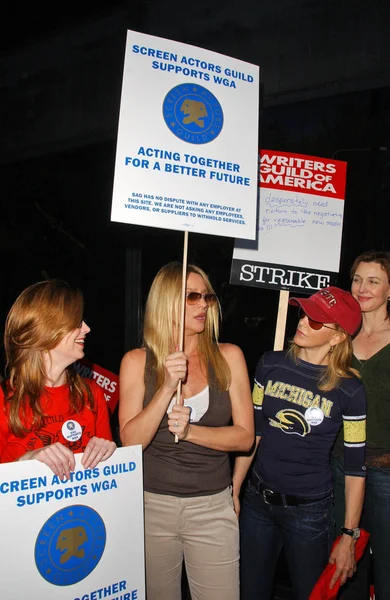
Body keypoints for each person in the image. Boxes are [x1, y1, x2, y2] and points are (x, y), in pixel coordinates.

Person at [118, 261, 254, 600]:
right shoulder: (137, 362)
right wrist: (165, 388)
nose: (204, 304)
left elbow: (244, 437)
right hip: (151, 506)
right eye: (192, 296)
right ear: (166, 302)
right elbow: (130, 441)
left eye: (206, 296)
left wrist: (192, 431)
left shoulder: (230, 356)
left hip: (212, 507)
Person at [233, 286, 367, 600]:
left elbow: (355, 468)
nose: (304, 322)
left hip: (309, 514)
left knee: (312, 595)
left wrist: (348, 534)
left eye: (317, 321)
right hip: (257, 504)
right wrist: (235, 489)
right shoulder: (269, 364)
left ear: (337, 337)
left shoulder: (351, 390)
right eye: (304, 313)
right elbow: (253, 433)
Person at [0, 280, 116, 477]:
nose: (87, 329)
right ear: (45, 330)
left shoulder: (91, 392)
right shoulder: (4, 400)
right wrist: (26, 461)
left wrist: (109, 452)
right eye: (77, 323)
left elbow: (105, 477)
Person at [331, 250, 390, 600]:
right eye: (356, 279)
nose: (362, 288)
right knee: (344, 566)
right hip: (339, 467)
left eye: (373, 281)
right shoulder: (338, 337)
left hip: (385, 473)